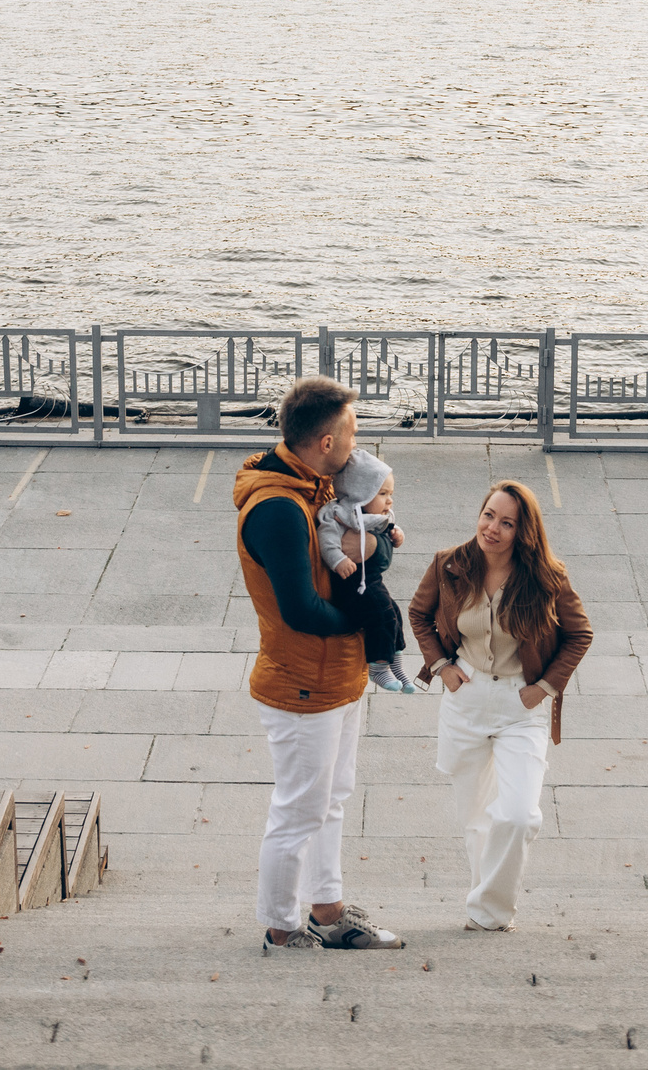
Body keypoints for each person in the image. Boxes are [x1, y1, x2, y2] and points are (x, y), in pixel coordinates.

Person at [233, 377, 405, 951]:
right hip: (302, 683)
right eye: (351, 435)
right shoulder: (280, 507)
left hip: (338, 676)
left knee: (331, 798)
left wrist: (374, 550)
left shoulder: (315, 484)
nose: (357, 448)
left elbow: (364, 549)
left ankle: (327, 913)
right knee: (298, 811)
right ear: (326, 442)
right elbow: (302, 611)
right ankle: (282, 928)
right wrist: (367, 625)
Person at [407, 481, 593, 932]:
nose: (492, 528)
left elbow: (579, 634)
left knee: (517, 815)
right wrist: (441, 667)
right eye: (488, 515)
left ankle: (490, 907)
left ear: (522, 532)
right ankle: (486, 915)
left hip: (519, 703)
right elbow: (418, 614)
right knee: (476, 819)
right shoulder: (449, 564)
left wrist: (545, 687)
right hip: (466, 699)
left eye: (506, 522)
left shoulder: (547, 576)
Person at [315, 448, 417, 693]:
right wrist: (338, 560)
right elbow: (326, 540)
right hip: (350, 584)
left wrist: (396, 535)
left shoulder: (373, 514)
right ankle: (378, 666)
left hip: (370, 579)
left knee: (394, 611)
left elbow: (384, 530)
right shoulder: (339, 515)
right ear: (362, 494)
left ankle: (396, 660)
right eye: (382, 493)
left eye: (390, 493)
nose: (389, 500)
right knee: (380, 614)